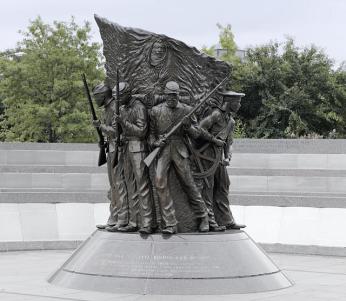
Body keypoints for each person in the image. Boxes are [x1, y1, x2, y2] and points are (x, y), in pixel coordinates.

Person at [149, 81, 224, 234]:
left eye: (174, 96)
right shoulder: (155, 111)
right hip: (163, 150)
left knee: (189, 183)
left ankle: (204, 217)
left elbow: (196, 133)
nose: (172, 98)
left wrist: (188, 126)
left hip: (180, 149)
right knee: (159, 183)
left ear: (178, 95)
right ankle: (170, 223)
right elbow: (150, 136)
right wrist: (156, 142)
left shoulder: (187, 110)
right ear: (164, 95)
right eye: (169, 95)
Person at [107, 82, 155, 234]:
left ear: (127, 94)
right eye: (114, 98)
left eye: (118, 98)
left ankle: (147, 222)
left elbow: (142, 131)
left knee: (142, 185)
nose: (117, 101)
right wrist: (118, 129)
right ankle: (134, 221)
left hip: (138, 148)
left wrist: (124, 122)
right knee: (130, 185)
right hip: (126, 148)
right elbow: (119, 131)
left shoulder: (139, 107)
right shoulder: (121, 108)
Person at [198, 90, 246, 230]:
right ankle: (211, 222)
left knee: (224, 186)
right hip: (207, 156)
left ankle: (226, 220)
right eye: (237, 103)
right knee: (208, 187)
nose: (239, 106)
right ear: (229, 103)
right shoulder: (216, 114)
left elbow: (229, 142)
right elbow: (200, 128)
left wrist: (228, 157)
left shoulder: (231, 121)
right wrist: (213, 140)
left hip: (219, 158)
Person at [92, 83, 128, 230]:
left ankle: (123, 218)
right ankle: (113, 218)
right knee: (113, 186)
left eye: (96, 97)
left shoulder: (114, 108)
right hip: (111, 149)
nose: (95, 101)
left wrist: (100, 126)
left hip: (119, 150)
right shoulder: (107, 108)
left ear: (103, 96)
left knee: (119, 185)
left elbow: (115, 132)